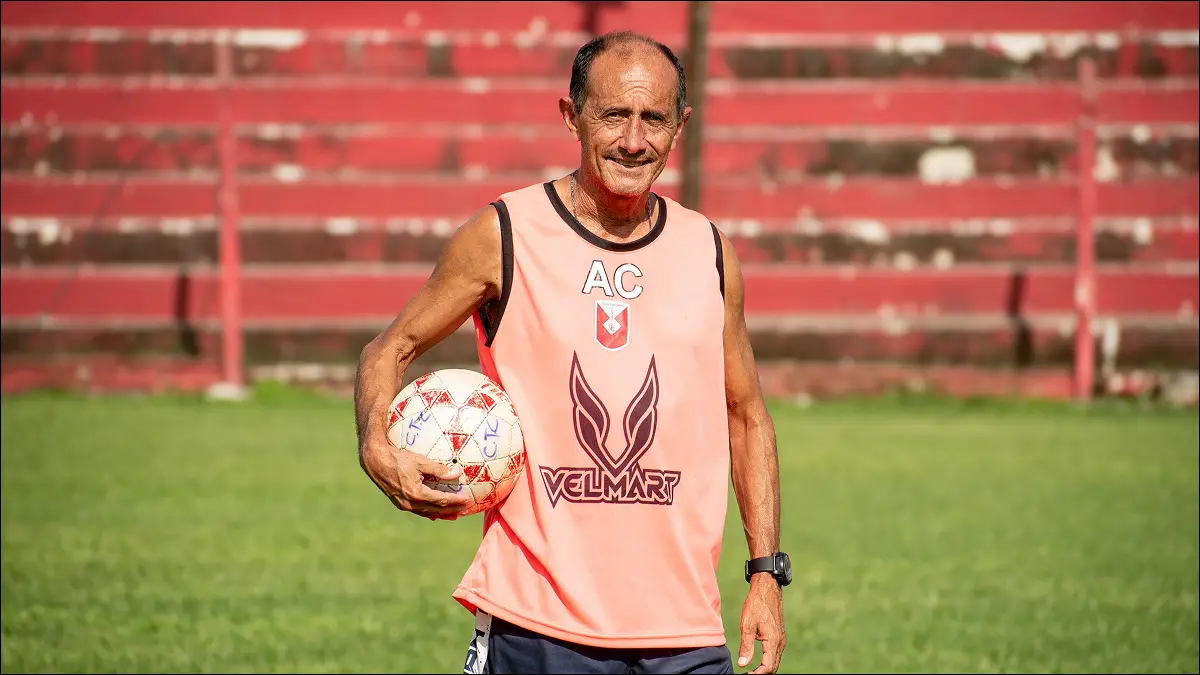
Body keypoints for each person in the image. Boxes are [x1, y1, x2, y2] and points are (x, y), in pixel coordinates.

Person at [354, 30, 789, 675]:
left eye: (654, 119)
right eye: (614, 115)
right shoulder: (504, 235)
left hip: (686, 630)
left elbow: (747, 414)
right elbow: (389, 349)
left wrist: (765, 574)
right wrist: (376, 446)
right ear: (571, 115)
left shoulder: (709, 252)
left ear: (680, 127)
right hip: (539, 625)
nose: (634, 141)